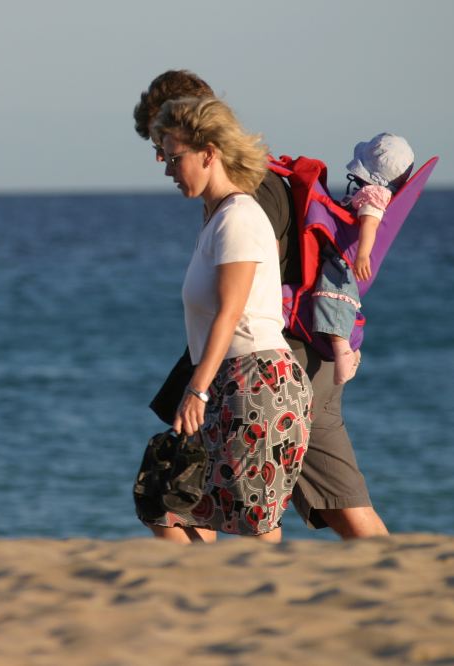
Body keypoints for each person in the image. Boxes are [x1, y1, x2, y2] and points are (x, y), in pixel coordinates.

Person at [134, 70, 390, 539]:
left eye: (167, 147)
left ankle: (399, 589)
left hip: (275, 364)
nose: (160, 160)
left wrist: (197, 386)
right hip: (248, 368)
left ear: (205, 143)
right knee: (184, 500)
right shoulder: (221, 206)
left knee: (311, 507)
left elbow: (242, 302)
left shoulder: (247, 200)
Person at [143, 96, 312, 543]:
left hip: (257, 380)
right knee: (168, 503)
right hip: (229, 381)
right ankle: (209, 604)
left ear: (209, 153)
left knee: (252, 523)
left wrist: (195, 388)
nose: (168, 171)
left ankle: (263, 607)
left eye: (175, 158)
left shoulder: (239, 217)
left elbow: (230, 311)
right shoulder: (216, 218)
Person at [312, 132, 415, 385]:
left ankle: (341, 348)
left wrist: (361, 255)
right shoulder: (377, 193)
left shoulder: (374, 196)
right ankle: (350, 350)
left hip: (344, 259)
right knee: (340, 299)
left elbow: (368, 223)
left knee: (331, 292)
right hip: (345, 254)